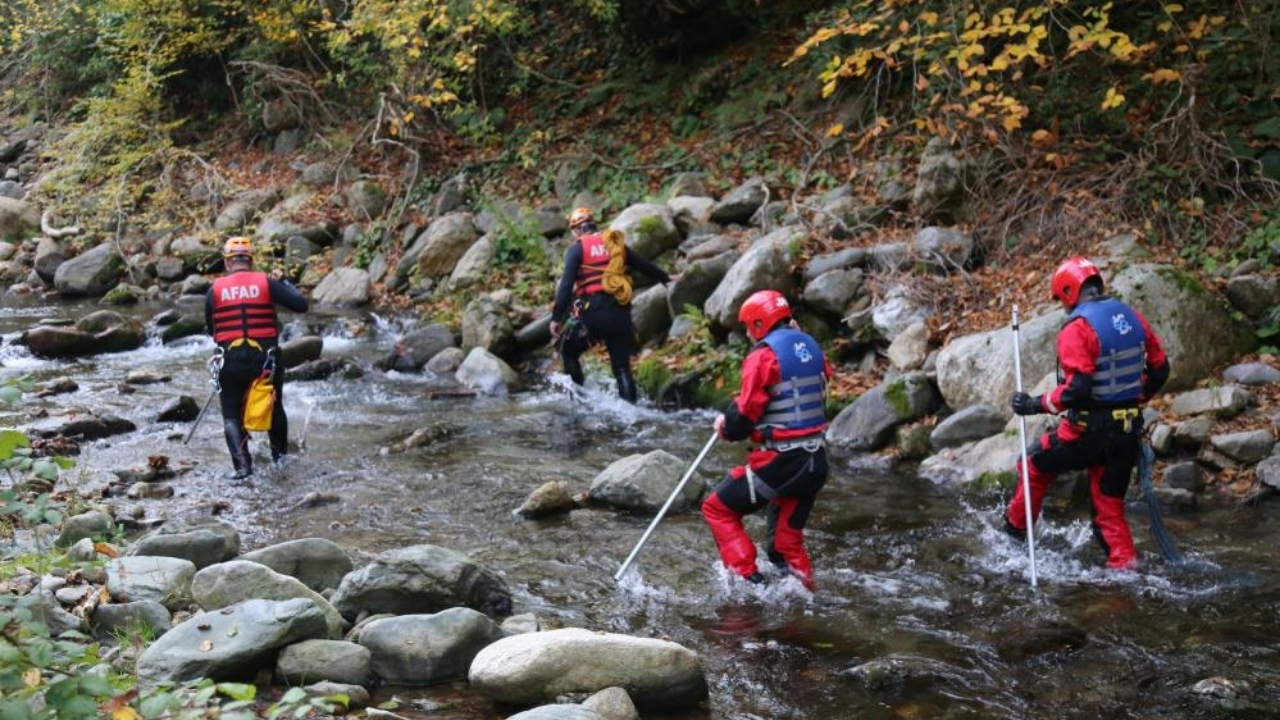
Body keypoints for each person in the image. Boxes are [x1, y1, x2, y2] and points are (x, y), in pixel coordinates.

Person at [1004, 256, 1170, 569]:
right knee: (1109, 509)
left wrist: (1035, 404)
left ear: (1069, 292)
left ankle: (1013, 535)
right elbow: (1160, 370)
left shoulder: (1077, 328)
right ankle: (1124, 573)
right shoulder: (1132, 316)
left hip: (1086, 433)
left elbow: (1077, 389)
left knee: (1032, 464)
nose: (1064, 307)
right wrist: (1130, 400)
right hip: (1126, 432)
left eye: (1062, 300)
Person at [701, 290, 832, 590]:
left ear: (759, 323)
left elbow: (743, 420)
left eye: (748, 326)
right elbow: (805, 386)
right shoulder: (811, 346)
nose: (748, 333)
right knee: (786, 544)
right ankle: (804, 596)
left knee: (717, 508)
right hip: (815, 461)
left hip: (784, 462)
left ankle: (749, 585)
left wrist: (726, 426)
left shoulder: (762, 356)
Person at [204, 236, 309, 479]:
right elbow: (301, 305)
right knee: (275, 407)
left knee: (231, 415)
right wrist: (284, 280)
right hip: (266, 361)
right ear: (250, 260)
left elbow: (212, 330)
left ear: (227, 262)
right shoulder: (267, 283)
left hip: (229, 360)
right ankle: (280, 460)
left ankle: (243, 468)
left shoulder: (214, 290)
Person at [549, 207, 676, 403]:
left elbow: (565, 287)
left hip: (593, 315)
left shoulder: (577, 249)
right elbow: (642, 265)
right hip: (619, 313)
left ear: (577, 230)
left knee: (569, 351)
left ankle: (579, 401)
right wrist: (666, 278)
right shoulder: (614, 244)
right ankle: (631, 411)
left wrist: (556, 318)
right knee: (622, 368)